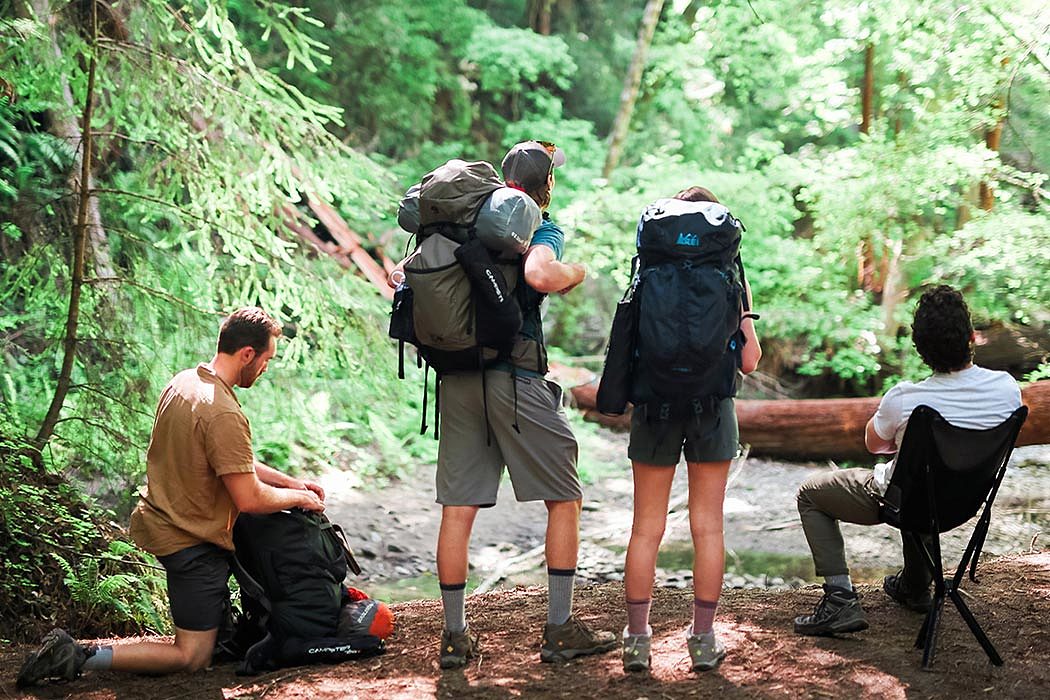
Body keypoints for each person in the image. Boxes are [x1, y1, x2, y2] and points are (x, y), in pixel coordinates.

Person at [17, 307, 327, 688]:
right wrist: (298, 500)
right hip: (189, 539)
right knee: (192, 656)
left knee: (221, 641)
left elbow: (233, 462)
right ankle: (79, 654)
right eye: (267, 359)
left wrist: (292, 482)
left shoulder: (186, 383)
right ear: (248, 353)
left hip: (164, 518)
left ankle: (221, 626)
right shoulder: (224, 412)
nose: (266, 368)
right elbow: (248, 498)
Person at [433, 141, 616, 668]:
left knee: (458, 506)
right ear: (547, 186)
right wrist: (576, 270)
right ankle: (560, 628)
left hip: (458, 378)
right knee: (564, 496)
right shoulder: (538, 224)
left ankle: (454, 636)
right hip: (515, 377)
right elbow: (540, 275)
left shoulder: (460, 220)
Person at [793, 285, 1022, 636]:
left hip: (906, 501)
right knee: (925, 483)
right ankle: (915, 587)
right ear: (972, 337)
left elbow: (874, 443)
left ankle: (839, 601)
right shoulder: (1007, 389)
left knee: (811, 492)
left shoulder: (906, 398)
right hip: (965, 501)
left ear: (920, 349)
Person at [621, 186, 762, 673]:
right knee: (708, 527)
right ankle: (702, 640)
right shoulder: (728, 272)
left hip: (654, 405)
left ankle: (637, 641)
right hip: (712, 407)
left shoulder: (651, 267)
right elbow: (750, 359)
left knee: (646, 528)